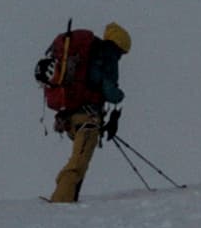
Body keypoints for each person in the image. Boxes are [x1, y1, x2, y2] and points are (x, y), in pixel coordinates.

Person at [37, 16, 132, 200]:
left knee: (78, 160)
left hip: (70, 117)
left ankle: (67, 196)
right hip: (87, 118)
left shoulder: (89, 53)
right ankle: (61, 201)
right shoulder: (107, 55)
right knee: (78, 163)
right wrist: (120, 97)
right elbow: (108, 90)